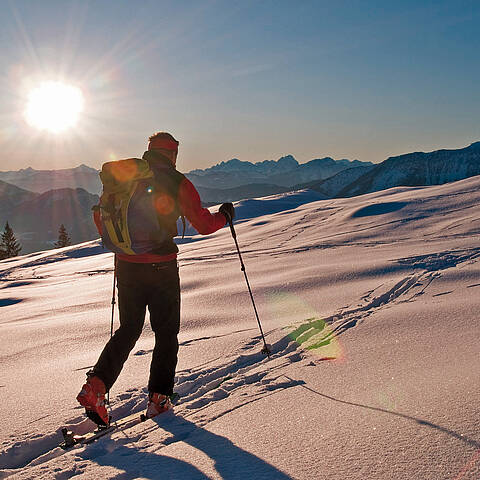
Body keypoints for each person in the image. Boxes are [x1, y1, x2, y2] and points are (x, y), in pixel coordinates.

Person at [77, 132, 234, 426]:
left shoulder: (122, 178)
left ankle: (95, 387)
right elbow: (202, 223)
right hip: (161, 268)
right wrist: (224, 217)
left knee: (129, 329)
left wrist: (127, 247)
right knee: (165, 333)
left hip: (126, 266)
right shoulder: (176, 182)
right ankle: (159, 399)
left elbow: (103, 220)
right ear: (173, 154)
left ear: (149, 152)